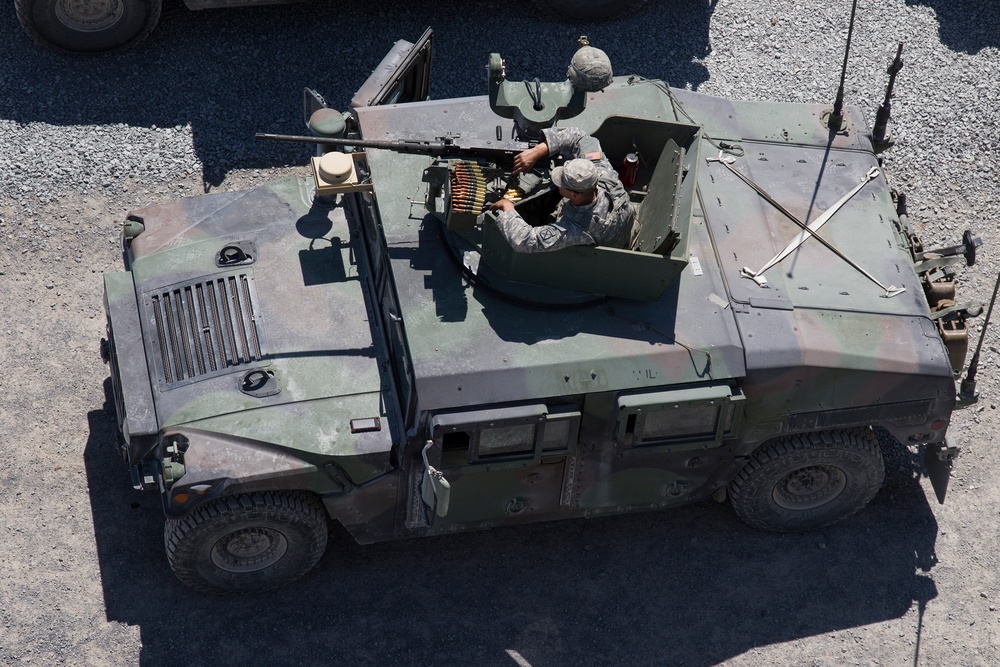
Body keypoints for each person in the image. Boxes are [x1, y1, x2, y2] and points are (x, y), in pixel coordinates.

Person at [490, 126, 636, 253]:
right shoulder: (603, 174)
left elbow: (524, 241)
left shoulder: (577, 227)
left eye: (561, 183)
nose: (557, 184)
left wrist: (507, 207)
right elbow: (581, 138)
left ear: (574, 194)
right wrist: (539, 150)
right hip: (624, 228)